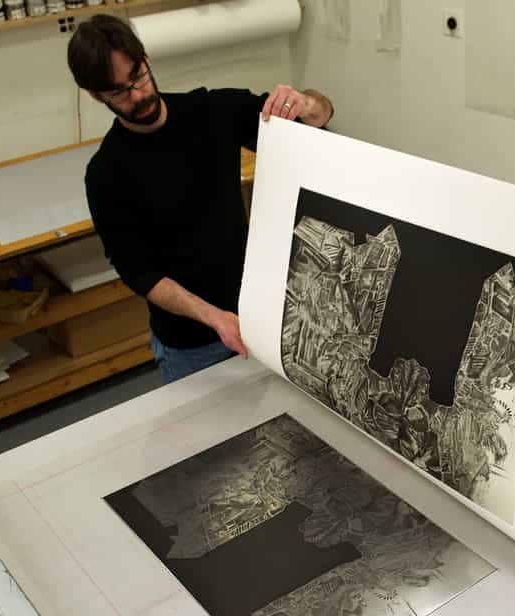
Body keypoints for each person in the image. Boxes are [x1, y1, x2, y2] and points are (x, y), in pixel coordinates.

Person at [67, 15, 334, 383]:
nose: (139, 95)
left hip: (261, 318)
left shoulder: (211, 113)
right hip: (191, 346)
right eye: (119, 92)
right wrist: (214, 317)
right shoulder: (106, 174)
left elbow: (315, 123)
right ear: (97, 95)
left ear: (145, 60)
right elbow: (139, 272)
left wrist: (307, 103)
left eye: (139, 77)